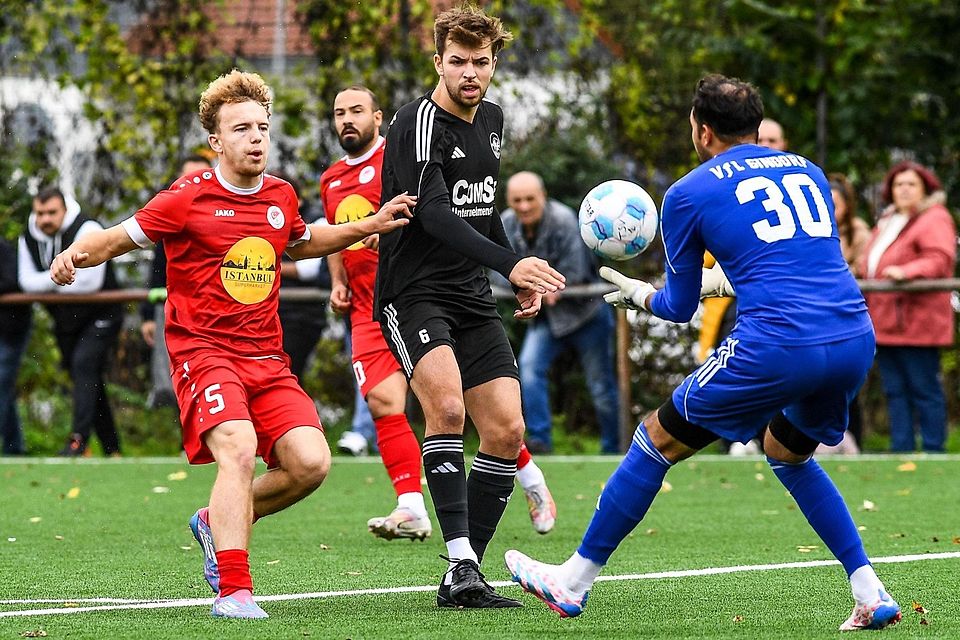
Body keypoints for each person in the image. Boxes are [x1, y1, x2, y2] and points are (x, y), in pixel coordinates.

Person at [506, 74, 902, 632]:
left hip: (777, 343)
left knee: (655, 438)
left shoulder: (687, 193)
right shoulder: (808, 171)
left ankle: (572, 582)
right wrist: (723, 284)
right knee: (789, 454)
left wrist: (639, 294)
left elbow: (676, 305)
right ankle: (869, 590)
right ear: (759, 128)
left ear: (702, 129)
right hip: (851, 336)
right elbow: (793, 265)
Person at [49, 69, 416, 619]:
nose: (256, 138)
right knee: (239, 450)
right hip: (202, 352)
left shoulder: (279, 196)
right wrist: (75, 255)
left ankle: (211, 522)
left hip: (267, 358)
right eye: (241, 128)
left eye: (262, 127)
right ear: (216, 141)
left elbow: (306, 240)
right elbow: (119, 237)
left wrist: (374, 224)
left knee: (311, 464)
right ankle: (234, 590)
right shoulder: (186, 199)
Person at [376, 5, 565, 609]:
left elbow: (479, 212)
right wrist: (510, 263)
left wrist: (515, 274)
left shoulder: (494, 120)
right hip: (414, 290)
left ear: (493, 64)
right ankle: (459, 562)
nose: (470, 73)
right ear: (438, 62)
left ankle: (467, 575)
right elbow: (431, 212)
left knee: (508, 429)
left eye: (480, 62)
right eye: (457, 61)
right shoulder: (415, 120)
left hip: (472, 294)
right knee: (448, 406)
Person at [323, 85, 557, 540]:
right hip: (377, 303)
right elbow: (335, 232)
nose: (347, 120)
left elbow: (448, 209)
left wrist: (383, 228)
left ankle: (528, 479)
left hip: (432, 292)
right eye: (338, 113)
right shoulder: (331, 179)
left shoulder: (407, 146)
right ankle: (414, 507)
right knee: (386, 402)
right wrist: (338, 277)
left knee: (476, 409)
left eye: (356, 111)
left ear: (377, 116)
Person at [499, 171, 621, 455]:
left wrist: (530, 282)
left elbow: (573, 274)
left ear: (543, 196)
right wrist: (533, 285)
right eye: (517, 200)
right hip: (547, 319)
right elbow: (496, 271)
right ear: (509, 200)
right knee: (528, 369)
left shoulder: (566, 220)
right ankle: (541, 442)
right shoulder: (504, 223)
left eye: (530, 199)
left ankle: (613, 450)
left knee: (601, 387)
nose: (524, 206)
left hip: (587, 315)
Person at [856, 161, 956, 453]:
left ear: (925, 187)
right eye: (899, 184)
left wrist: (907, 272)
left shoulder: (934, 218)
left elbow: (939, 258)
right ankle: (901, 446)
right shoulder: (889, 219)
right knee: (894, 390)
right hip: (886, 321)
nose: (904, 189)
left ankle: (934, 448)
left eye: (911, 184)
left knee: (924, 389)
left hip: (917, 322)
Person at [18, 187, 123, 457]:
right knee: (88, 379)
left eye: (52, 212)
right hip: (67, 321)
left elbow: (88, 283)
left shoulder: (87, 228)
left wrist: (45, 284)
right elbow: (25, 282)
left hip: (102, 314)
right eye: (40, 213)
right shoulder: (29, 234)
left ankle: (78, 441)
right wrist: (57, 277)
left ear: (64, 211)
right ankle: (112, 448)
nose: (45, 219)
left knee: (83, 366)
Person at [140, 154, 213, 409]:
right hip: (180, 311)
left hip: (220, 314)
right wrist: (148, 315)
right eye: (187, 177)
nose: (194, 183)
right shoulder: (170, 214)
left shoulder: (231, 212)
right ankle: (187, 440)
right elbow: (158, 266)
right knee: (178, 380)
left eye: (201, 177)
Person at [816, 173, 872, 454]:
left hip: (848, 320)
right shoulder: (812, 232)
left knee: (847, 388)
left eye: (834, 203)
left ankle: (852, 442)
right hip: (817, 321)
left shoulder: (858, 233)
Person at [272, 170, 330, 383]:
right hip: (269, 314)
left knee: (288, 375)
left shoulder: (315, 219)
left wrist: (265, 265)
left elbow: (310, 269)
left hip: (301, 316)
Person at [0, 237, 31, 455]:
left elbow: (12, 281)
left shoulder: (3, 249)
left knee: (0, 381)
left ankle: (13, 446)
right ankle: (14, 447)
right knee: (2, 388)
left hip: (10, 329)